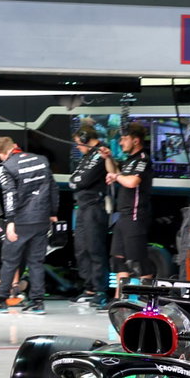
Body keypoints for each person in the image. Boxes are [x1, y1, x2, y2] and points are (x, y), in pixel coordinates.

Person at [0, 136, 53, 314]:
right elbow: (52, 187)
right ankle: (38, 302)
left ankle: (1, 300)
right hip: (42, 219)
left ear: (4, 153)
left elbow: (9, 194)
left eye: (0, 157)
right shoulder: (42, 160)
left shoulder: (6, 166)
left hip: (21, 221)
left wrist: (10, 221)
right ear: (15, 146)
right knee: (36, 262)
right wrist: (53, 213)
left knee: (10, 261)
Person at [107, 123, 154, 294]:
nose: (121, 142)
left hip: (136, 215)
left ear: (136, 140)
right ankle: (119, 299)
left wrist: (117, 176)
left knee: (138, 260)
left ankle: (146, 299)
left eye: (124, 139)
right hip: (122, 216)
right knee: (118, 259)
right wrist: (108, 158)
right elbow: (115, 172)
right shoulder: (129, 160)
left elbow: (132, 181)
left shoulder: (143, 159)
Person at [70, 126, 115, 304]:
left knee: (95, 248)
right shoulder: (87, 156)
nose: (77, 147)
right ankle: (89, 287)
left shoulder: (100, 154)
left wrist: (77, 181)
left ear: (85, 138)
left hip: (95, 207)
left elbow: (83, 180)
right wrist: (77, 181)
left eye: (78, 143)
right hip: (81, 207)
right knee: (81, 248)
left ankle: (100, 290)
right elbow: (73, 179)